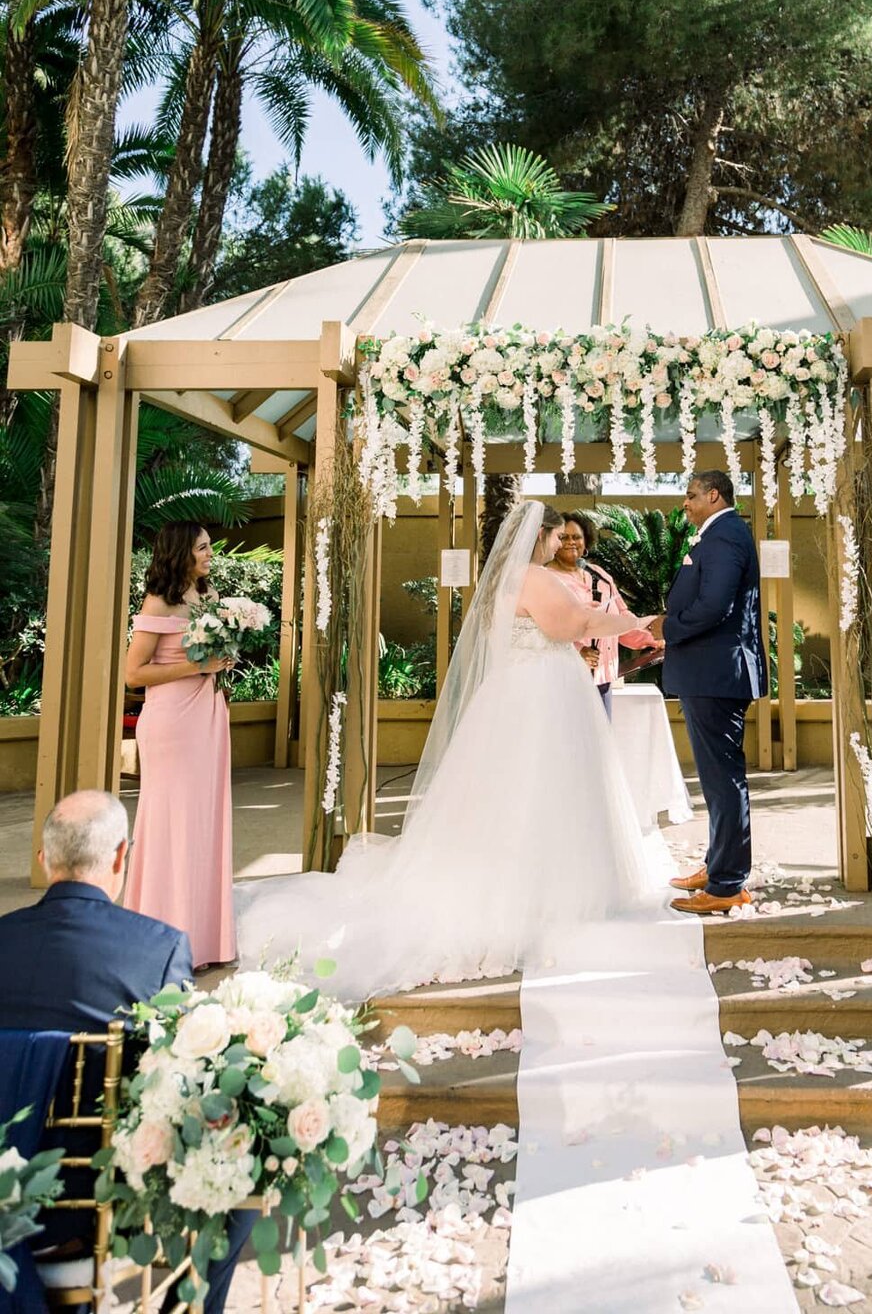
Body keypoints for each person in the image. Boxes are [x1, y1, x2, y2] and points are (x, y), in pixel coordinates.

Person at [236, 502, 662, 999]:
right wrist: (640, 621)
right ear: (543, 537)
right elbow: (571, 626)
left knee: (508, 795)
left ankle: (515, 881)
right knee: (545, 790)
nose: (558, 543)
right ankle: (537, 898)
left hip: (513, 693)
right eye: (555, 536)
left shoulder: (502, 581)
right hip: (542, 695)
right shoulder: (536, 577)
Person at [0, 792, 252, 1313]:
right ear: (121, 857)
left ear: (44, 860)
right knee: (243, 1163)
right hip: (92, 1206)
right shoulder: (158, 949)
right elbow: (180, 1084)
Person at [649, 471, 765, 915]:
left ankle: (727, 885)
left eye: (691, 495)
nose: (685, 503)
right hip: (709, 673)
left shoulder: (725, 536)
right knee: (717, 782)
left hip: (715, 674)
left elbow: (717, 605)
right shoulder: (720, 534)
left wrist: (668, 628)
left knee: (722, 780)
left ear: (714, 495)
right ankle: (719, 866)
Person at [124, 522, 236, 969]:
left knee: (203, 823)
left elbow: (207, 659)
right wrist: (197, 668)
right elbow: (134, 674)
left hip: (207, 718)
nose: (210, 553)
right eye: (202, 547)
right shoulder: (159, 602)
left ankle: (203, 937)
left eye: (209, 547)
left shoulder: (205, 598)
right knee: (172, 824)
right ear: (180, 553)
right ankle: (160, 934)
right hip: (172, 723)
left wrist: (223, 658)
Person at [543, 511, 661, 716]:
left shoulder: (599, 574)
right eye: (564, 537)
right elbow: (544, 626)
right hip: (568, 678)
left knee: (600, 745)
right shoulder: (547, 579)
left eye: (577, 537)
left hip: (603, 679)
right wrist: (577, 652)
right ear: (553, 541)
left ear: (586, 541)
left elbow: (623, 620)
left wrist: (654, 639)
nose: (571, 542)